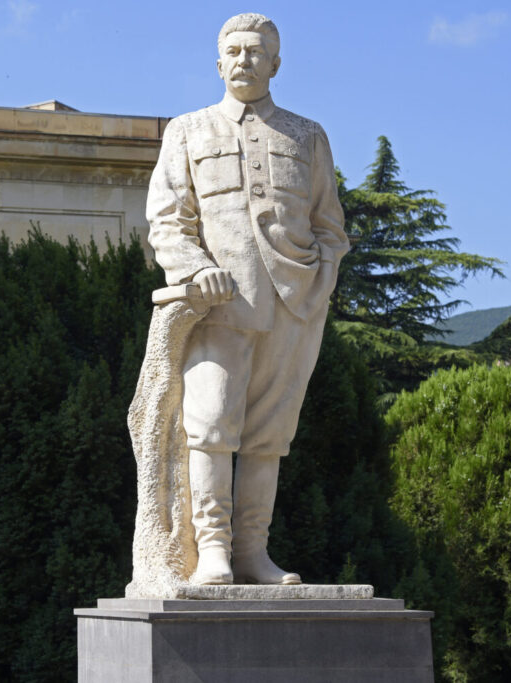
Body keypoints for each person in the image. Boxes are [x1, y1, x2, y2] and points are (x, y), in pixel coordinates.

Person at [145, 12, 349, 585]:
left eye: (256, 51)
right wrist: (194, 268)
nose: (244, 59)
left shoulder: (308, 135)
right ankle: (212, 550)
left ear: (276, 64)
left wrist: (322, 278)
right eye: (233, 50)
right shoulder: (188, 130)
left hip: (294, 304)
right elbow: (168, 218)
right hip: (219, 304)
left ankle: (252, 553)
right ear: (217, 62)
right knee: (209, 426)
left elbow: (329, 223)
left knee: (269, 435)